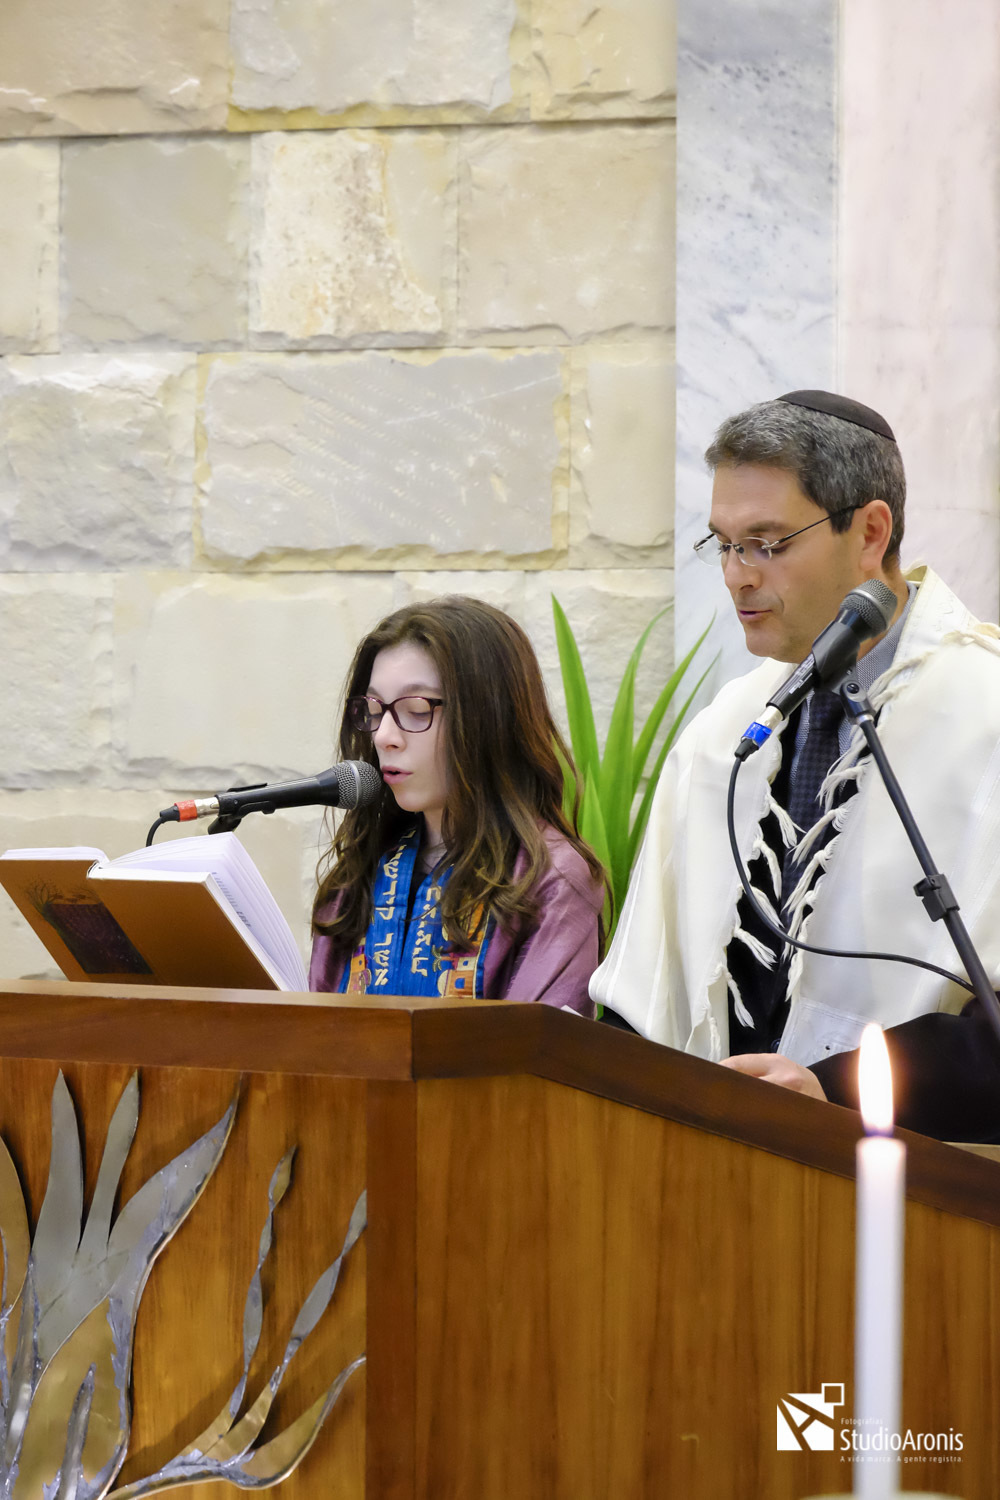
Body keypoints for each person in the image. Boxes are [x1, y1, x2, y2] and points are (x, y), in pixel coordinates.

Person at [591, 390, 1000, 1139]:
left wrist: (832, 1089)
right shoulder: (723, 733)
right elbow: (638, 1006)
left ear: (870, 531)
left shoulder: (989, 716)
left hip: (922, 1204)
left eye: (768, 543)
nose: (738, 576)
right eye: (724, 543)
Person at [310, 596, 605, 1011]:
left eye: (415, 710)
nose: (383, 737)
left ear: (489, 719)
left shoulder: (551, 878)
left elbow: (537, 1059)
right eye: (374, 709)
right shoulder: (361, 870)